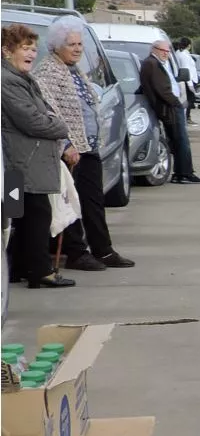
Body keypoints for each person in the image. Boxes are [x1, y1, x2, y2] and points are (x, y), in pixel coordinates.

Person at [33, 16, 135, 273]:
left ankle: (103, 249)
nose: (78, 49)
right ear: (56, 46)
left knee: (93, 200)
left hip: (87, 146)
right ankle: (77, 252)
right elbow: (48, 111)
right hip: (68, 150)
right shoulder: (48, 72)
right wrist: (66, 144)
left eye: (80, 44)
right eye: (72, 44)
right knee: (71, 202)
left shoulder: (74, 70)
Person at [2, 24, 75, 289]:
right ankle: (40, 270)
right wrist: (61, 127)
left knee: (20, 216)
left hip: (21, 162)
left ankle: (18, 268)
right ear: (7, 51)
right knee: (33, 215)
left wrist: (52, 120)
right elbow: (34, 121)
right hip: (19, 163)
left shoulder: (21, 78)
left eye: (34, 48)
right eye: (25, 48)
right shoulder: (8, 81)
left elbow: (44, 113)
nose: (32, 53)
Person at [141, 40, 200, 185]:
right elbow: (162, 89)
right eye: (163, 50)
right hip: (169, 108)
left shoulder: (158, 63)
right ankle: (183, 174)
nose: (166, 53)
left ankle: (183, 172)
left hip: (171, 106)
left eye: (168, 51)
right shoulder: (152, 64)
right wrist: (177, 103)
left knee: (179, 141)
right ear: (154, 50)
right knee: (181, 141)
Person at [172, 37, 199, 125]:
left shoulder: (180, 53)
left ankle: (187, 117)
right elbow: (186, 69)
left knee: (188, 100)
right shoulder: (183, 55)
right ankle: (187, 117)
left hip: (186, 79)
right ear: (189, 45)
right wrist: (190, 84)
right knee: (189, 100)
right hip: (187, 80)